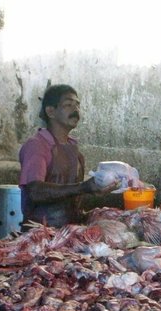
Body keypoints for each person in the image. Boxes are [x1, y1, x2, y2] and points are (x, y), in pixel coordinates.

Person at [19, 84, 114, 227]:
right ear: (51, 111)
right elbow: (35, 191)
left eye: (77, 105)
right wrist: (83, 187)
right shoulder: (37, 145)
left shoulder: (74, 151)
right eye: (68, 104)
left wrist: (92, 211)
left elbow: (72, 199)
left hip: (69, 234)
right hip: (40, 236)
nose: (75, 109)